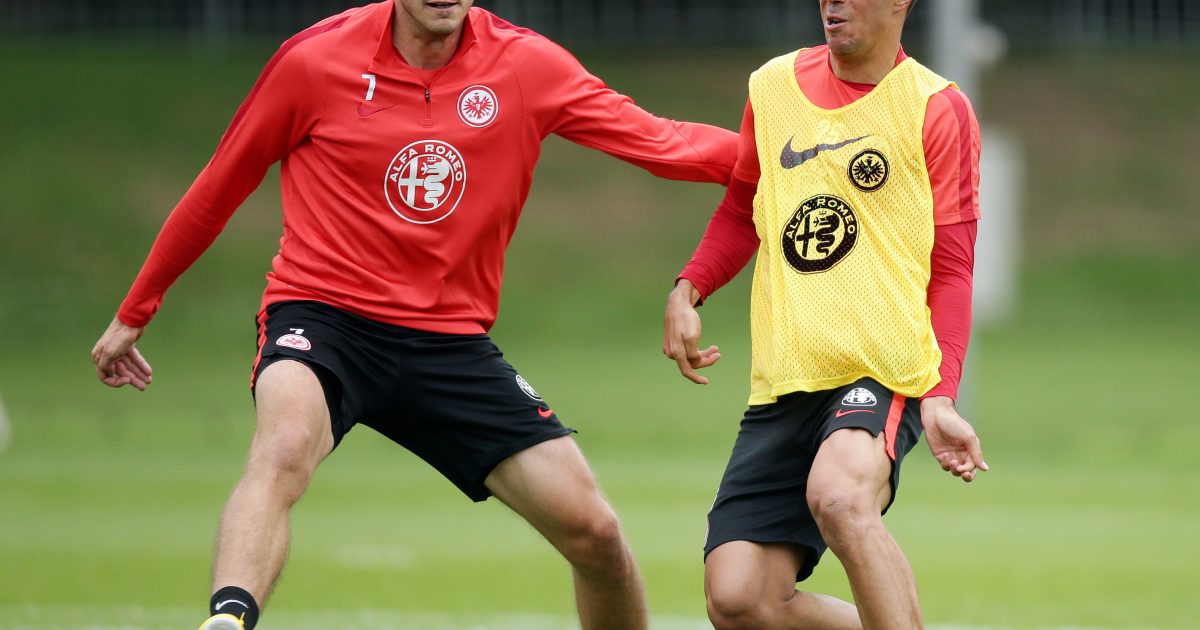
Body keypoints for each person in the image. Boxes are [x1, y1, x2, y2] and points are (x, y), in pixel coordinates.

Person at [90, 2, 737, 629]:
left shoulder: (526, 66)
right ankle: (228, 619)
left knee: (596, 535)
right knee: (283, 448)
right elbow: (220, 184)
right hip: (324, 316)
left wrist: (801, 164)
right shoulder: (315, 61)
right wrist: (135, 310)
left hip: (449, 343)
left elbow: (665, 143)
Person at [662, 0, 986, 627]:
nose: (832, 2)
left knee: (840, 499)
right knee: (738, 598)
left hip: (883, 368)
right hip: (785, 378)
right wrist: (690, 287)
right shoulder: (772, 84)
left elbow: (952, 270)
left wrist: (942, 395)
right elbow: (741, 207)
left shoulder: (935, 106)